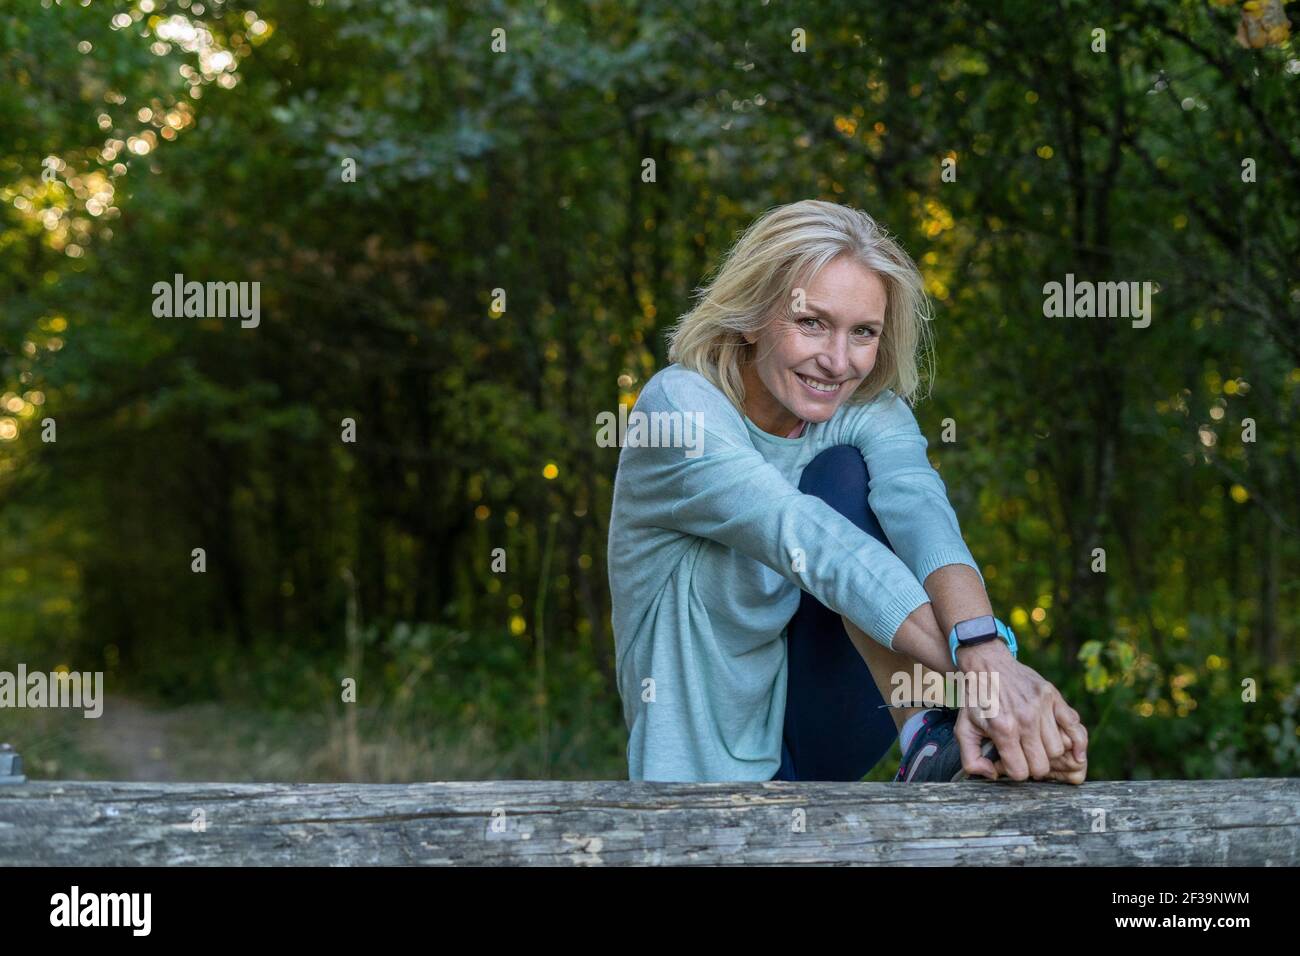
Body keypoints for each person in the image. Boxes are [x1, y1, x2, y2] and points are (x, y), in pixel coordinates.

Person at [607, 199, 1089, 783]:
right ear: (752, 316)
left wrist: (988, 649)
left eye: (863, 332)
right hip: (697, 761)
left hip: (824, 730)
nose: (837, 362)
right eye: (811, 322)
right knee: (829, 511)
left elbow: (922, 512)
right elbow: (809, 538)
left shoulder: (863, 412)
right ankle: (961, 720)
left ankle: (925, 739)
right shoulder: (678, 411)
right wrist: (990, 681)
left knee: (845, 474)